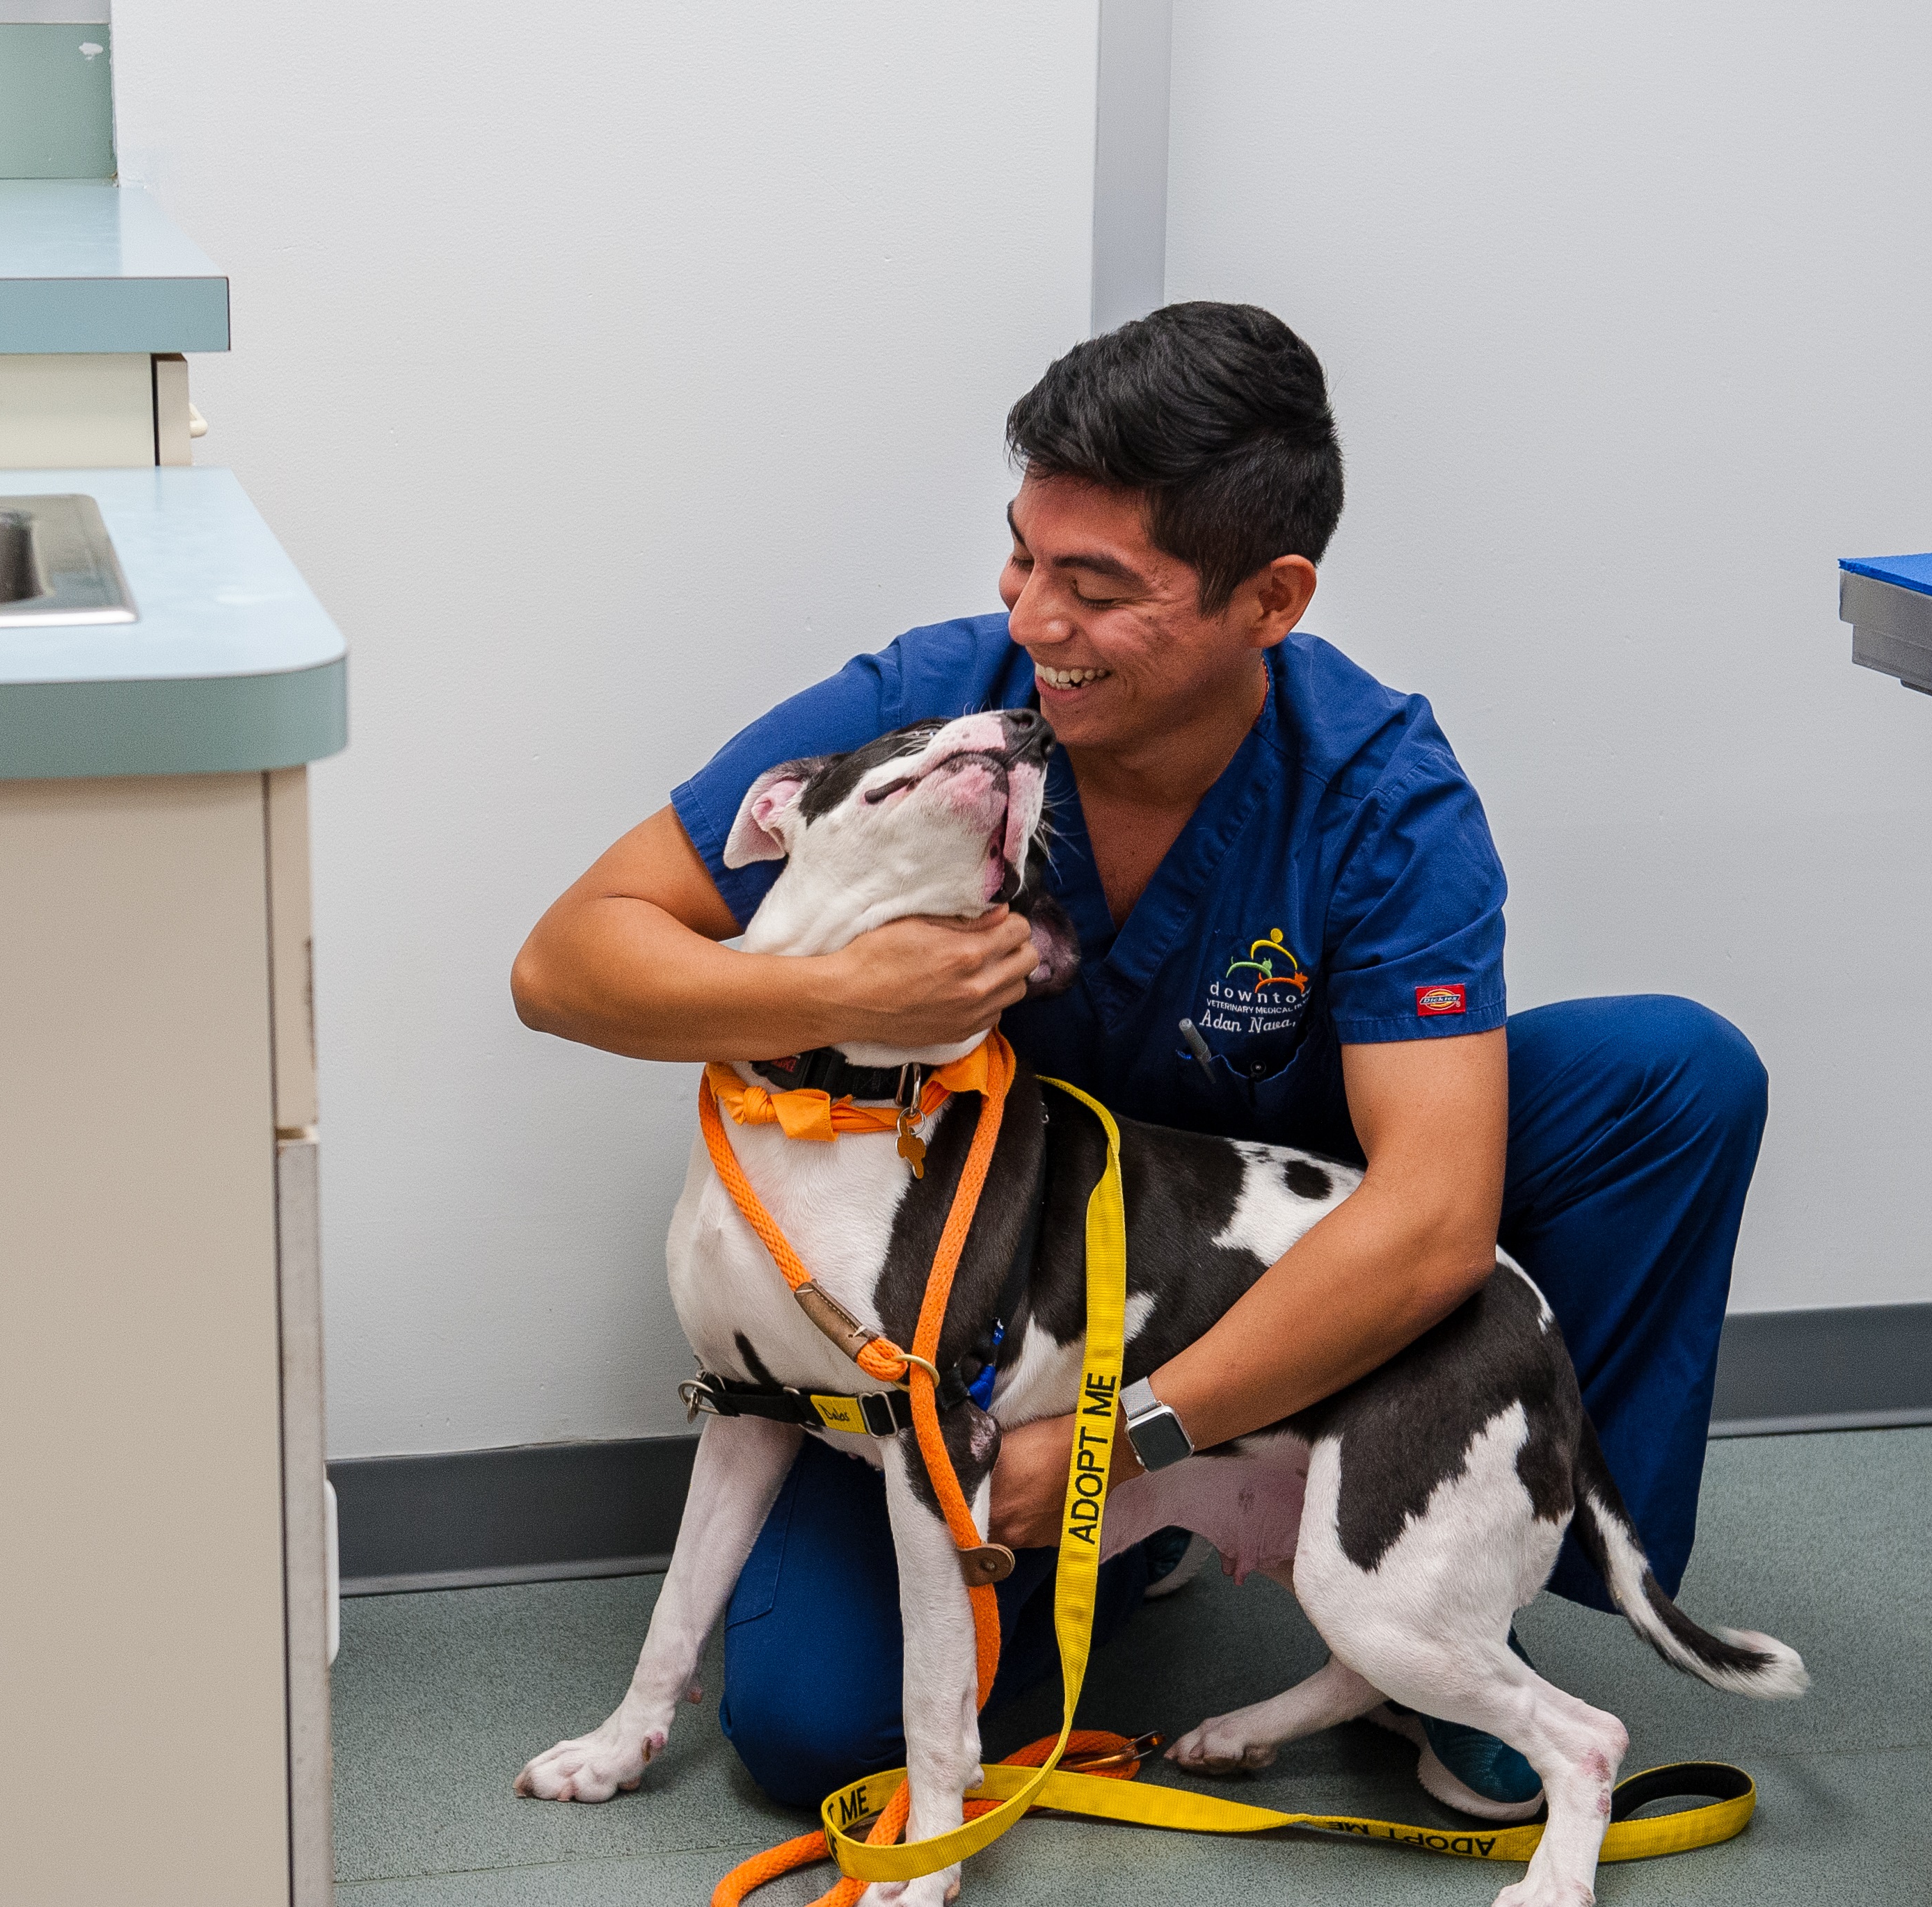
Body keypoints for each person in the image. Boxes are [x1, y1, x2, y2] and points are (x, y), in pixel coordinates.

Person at [509, 302, 1767, 1818]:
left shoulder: (1378, 789)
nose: (1034, 618)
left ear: (1269, 599)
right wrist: (839, 989)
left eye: (1095, 588)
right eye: (1022, 557)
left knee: (1667, 1082)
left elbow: (1435, 1219)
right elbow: (565, 962)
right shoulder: (935, 709)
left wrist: (1120, 1442)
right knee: (809, 1732)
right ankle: (1157, 1538)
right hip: (999, 1293)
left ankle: (1453, 1605)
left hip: (1258, 1213)